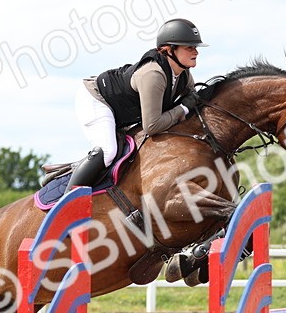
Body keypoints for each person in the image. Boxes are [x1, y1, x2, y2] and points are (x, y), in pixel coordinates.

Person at [67, 18, 206, 189]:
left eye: (196, 47)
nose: (196, 52)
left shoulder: (183, 76)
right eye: (189, 47)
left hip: (120, 110)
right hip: (96, 99)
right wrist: (183, 108)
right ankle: (66, 203)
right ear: (169, 50)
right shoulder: (154, 75)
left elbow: (189, 106)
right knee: (108, 151)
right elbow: (152, 125)